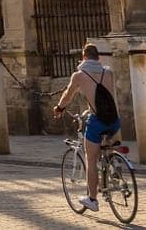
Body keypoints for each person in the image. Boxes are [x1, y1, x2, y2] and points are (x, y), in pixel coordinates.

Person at [53, 43, 120, 213]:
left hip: (97, 122)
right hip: (114, 121)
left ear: (83, 57)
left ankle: (92, 199)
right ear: (98, 58)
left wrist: (60, 108)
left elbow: (68, 95)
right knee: (108, 145)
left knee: (91, 159)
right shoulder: (109, 72)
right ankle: (114, 166)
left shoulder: (79, 75)